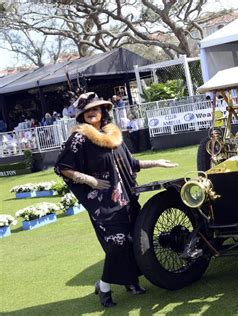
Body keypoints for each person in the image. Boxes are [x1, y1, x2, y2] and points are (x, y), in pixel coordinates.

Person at [54, 92, 178, 308]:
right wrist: (91, 181)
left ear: (103, 111)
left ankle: (131, 281)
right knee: (117, 244)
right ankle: (103, 286)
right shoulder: (79, 138)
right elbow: (63, 168)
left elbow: (130, 163)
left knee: (133, 240)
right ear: (81, 116)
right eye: (87, 111)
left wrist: (157, 162)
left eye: (96, 109)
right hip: (103, 204)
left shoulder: (113, 136)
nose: (92, 113)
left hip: (126, 199)